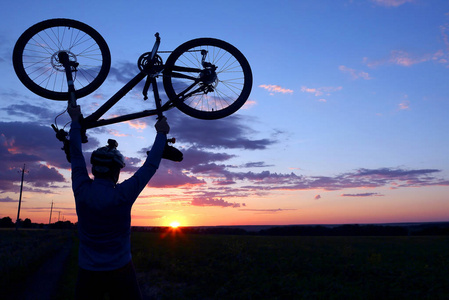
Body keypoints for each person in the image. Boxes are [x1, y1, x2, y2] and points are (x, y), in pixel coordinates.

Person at [68, 105, 169, 300]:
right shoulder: (123, 194)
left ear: (95, 169)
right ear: (116, 171)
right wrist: (161, 133)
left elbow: (75, 155)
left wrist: (74, 122)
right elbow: (150, 165)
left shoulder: (81, 189)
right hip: (121, 270)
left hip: (88, 271)